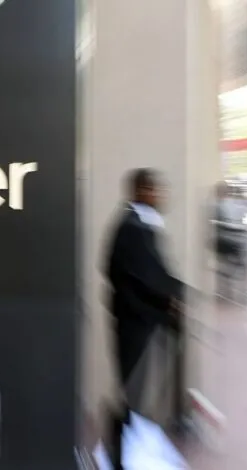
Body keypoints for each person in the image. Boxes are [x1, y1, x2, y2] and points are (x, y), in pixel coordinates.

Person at [104, 168, 183, 470]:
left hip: (136, 320)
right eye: (155, 190)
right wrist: (173, 296)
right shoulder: (133, 227)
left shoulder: (135, 223)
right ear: (141, 191)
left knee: (133, 389)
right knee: (132, 390)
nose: (160, 196)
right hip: (135, 323)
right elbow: (146, 276)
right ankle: (120, 455)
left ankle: (123, 450)